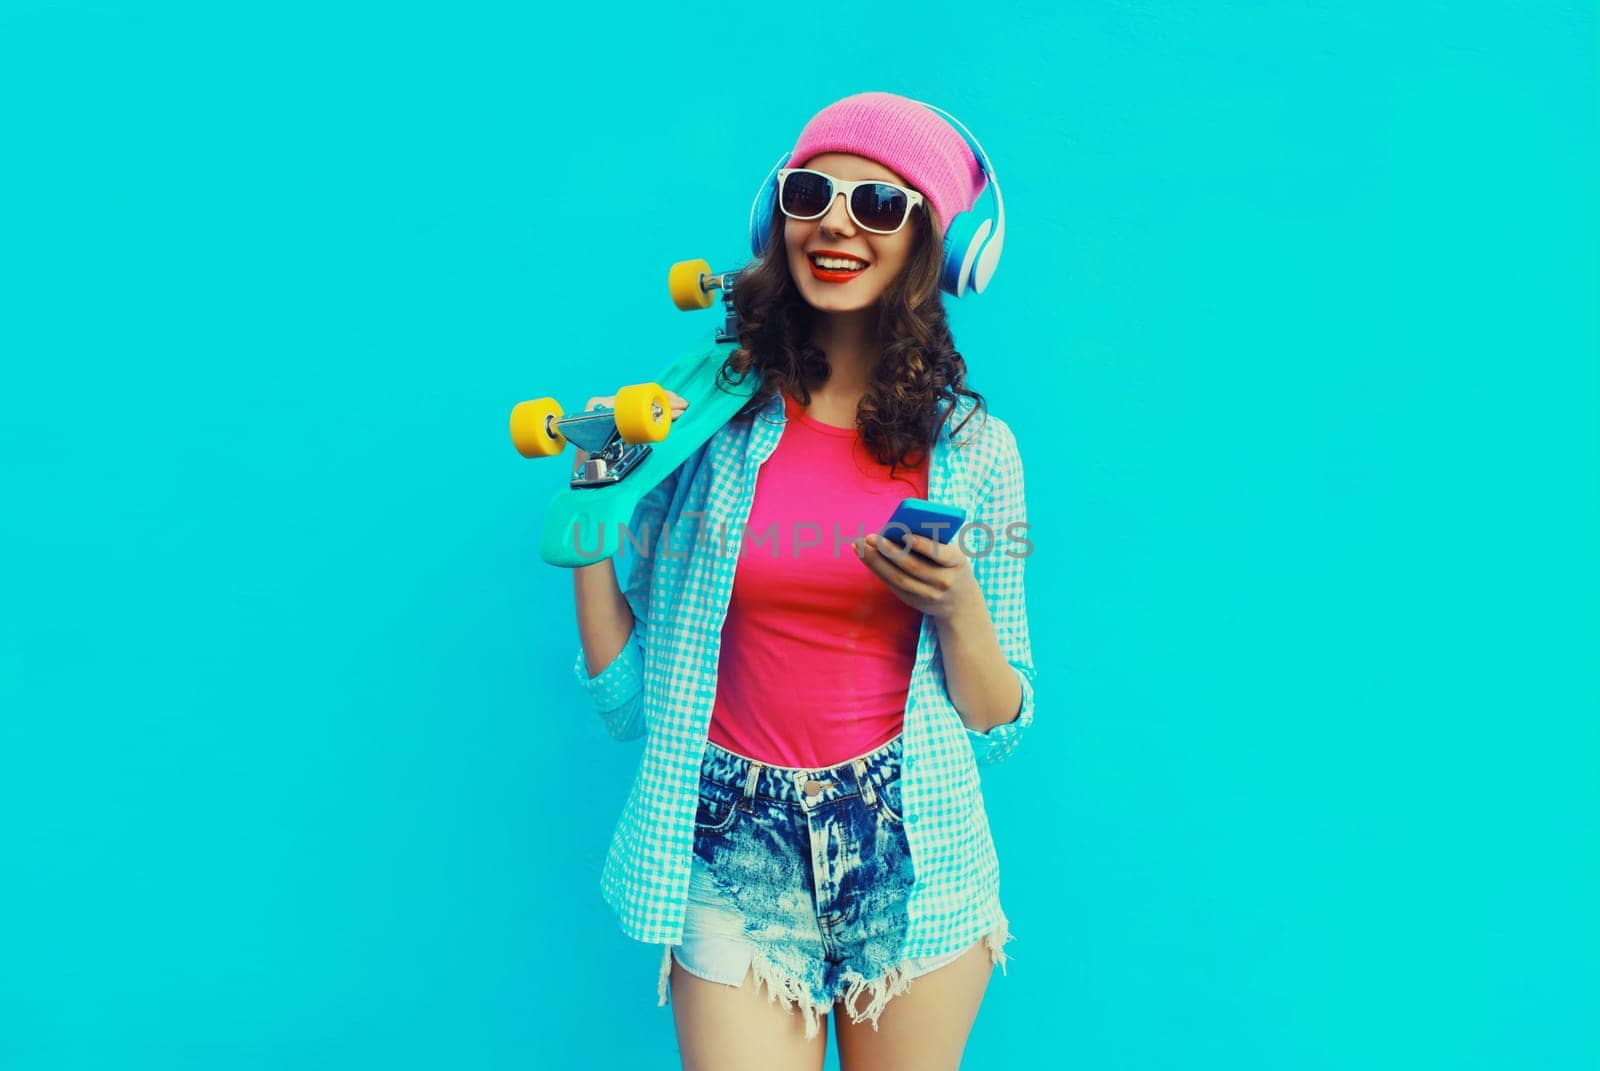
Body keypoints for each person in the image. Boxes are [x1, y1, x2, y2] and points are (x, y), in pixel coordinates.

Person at [570, 91, 1035, 1071]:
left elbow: (999, 722)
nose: (834, 222)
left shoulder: (974, 454)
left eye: (878, 206)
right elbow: (627, 700)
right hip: (731, 841)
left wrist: (957, 609)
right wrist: (587, 523)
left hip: (915, 849)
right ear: (773, 217)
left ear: (934, 248)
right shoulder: (702, 428)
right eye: (812, 193)